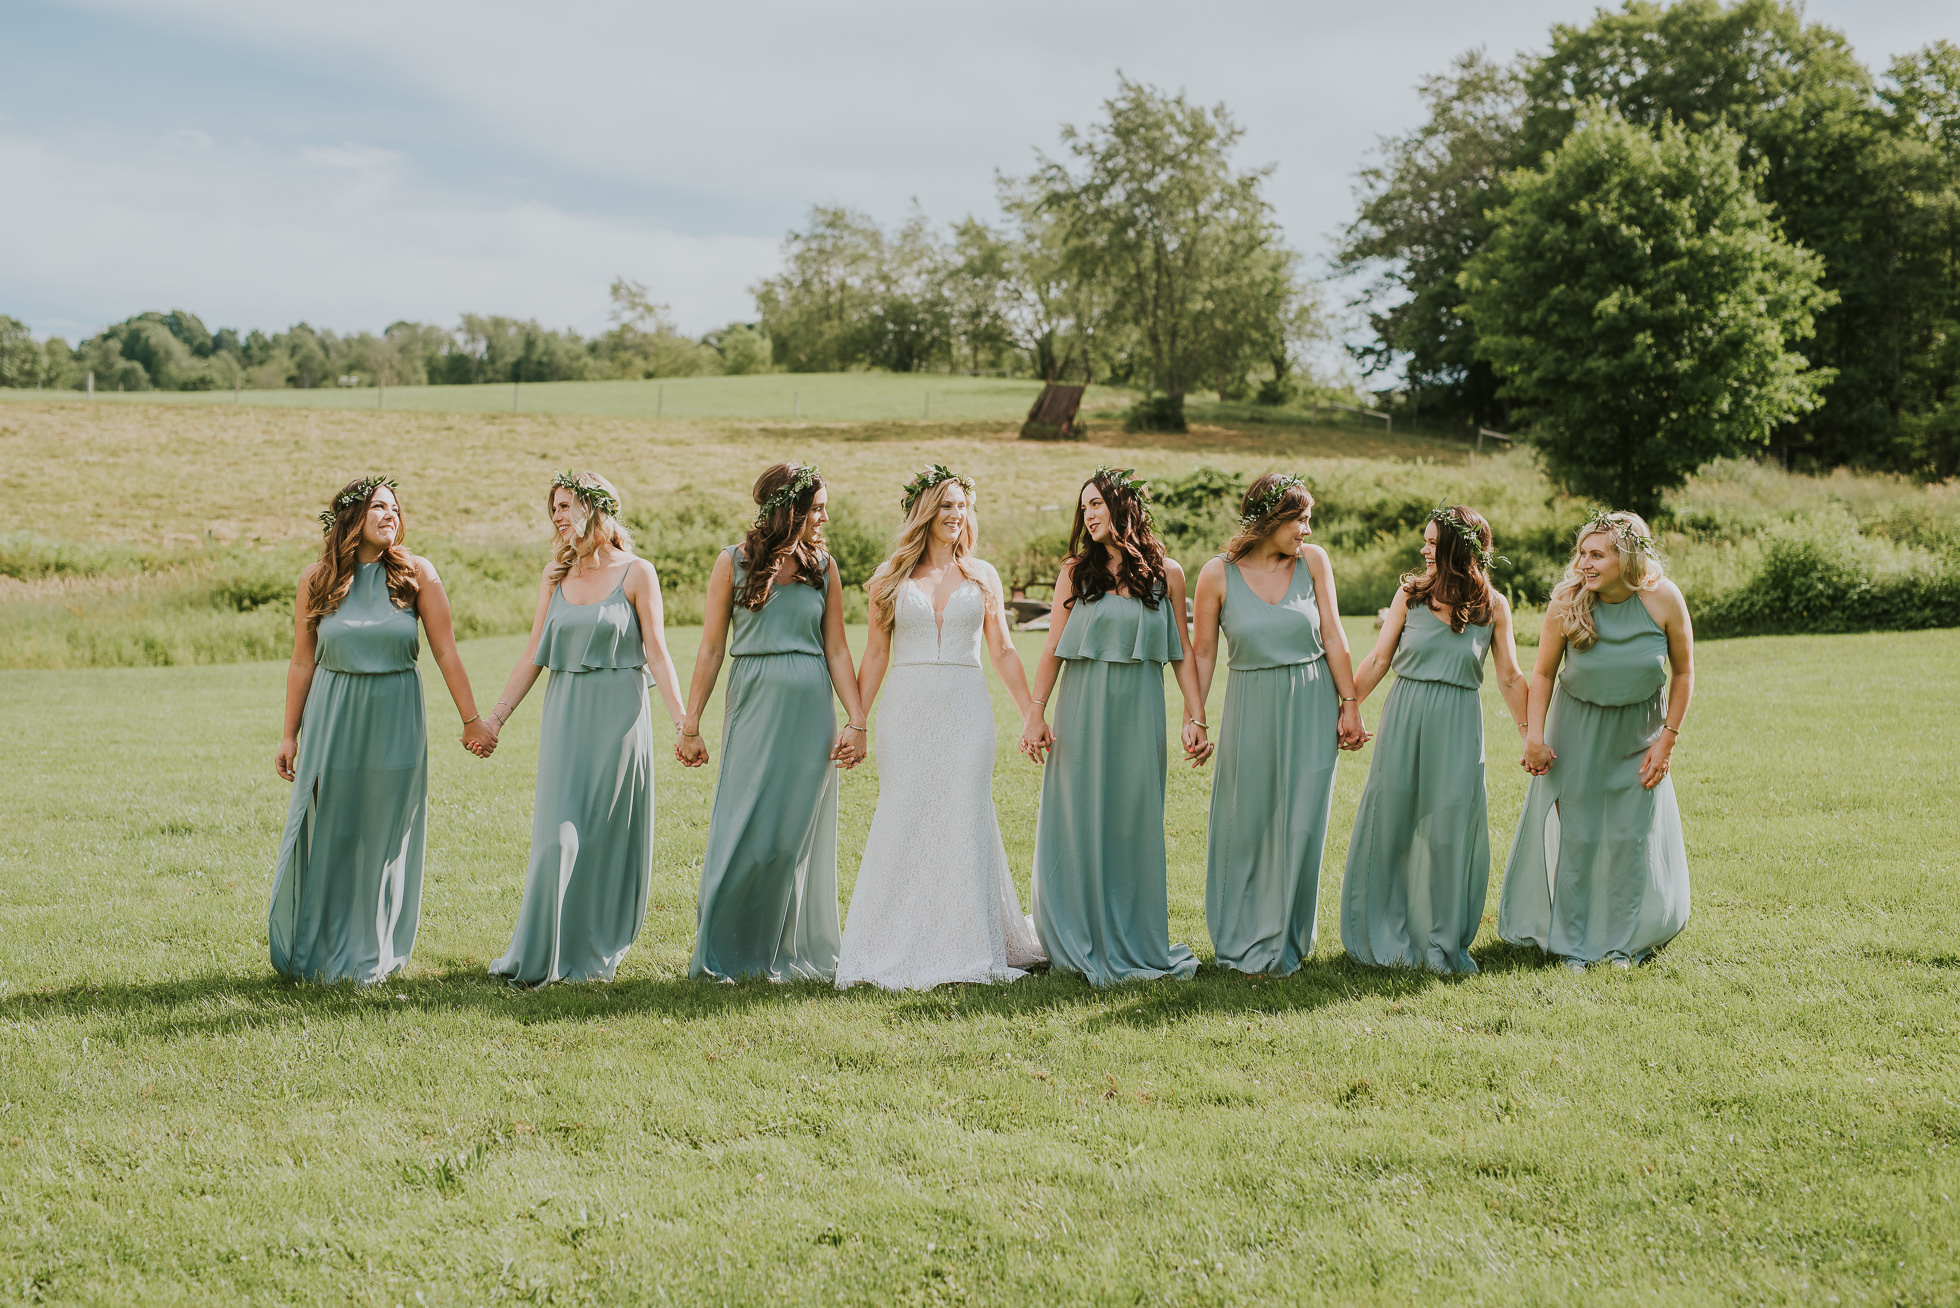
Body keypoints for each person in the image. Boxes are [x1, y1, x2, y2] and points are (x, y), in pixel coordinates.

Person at [270, 476, 494, 984]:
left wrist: (471, 719)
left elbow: (445, 652)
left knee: (385, 836)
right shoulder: (316, 580)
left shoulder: (417, 574)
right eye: (378, 507)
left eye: (394, 507)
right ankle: (322, 951)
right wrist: (289, 735)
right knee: (334, 832)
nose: (390, 515)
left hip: (396, 716)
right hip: (334, 717)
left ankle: (373, 951)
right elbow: (302, 663)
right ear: (352, 518)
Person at [836, 465, 1047, 990]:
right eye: (948, 506)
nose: (957, 516)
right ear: (926, 512)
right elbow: (875, 654)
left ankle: (971, 941)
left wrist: (1030, 714)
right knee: (905, 813)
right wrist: (857, 721)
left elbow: (1001, 649)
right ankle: (890, 937)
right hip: (906, 712)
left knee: (965, 811)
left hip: (965, 710)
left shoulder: (983, 576)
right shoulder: (889, 578)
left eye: (963, 506)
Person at [482, 472, 687, 985]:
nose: (557, 515)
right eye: (553, 507)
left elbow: (658, 653)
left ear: (598, 509)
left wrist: (685, 722)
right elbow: (533, 653)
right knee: (558, 840)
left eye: (566, 504)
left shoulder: (638, 573)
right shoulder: (555, 577)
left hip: (620, 718)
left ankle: (592, 947)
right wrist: (495, 719)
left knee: (605, 839)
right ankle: (543, 950)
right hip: (565, 716)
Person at [1019, 467, 1210, 986]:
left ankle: (1131, 932)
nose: (1090, 515)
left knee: (1131, 822)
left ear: (1124, 505)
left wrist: (1196, 716)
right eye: (1084, 508)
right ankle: (1076, 929)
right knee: (1079, 819)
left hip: (1140, 716)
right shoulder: (1075, 574)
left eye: (1097, 504)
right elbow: (1054, 649)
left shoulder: (1167, 574)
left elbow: (1183, 654)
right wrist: (1036, 712)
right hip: (1080, 714)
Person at [681, 463, 867, 982]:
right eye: (817, 506)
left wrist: (857, 719)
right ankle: (724, 948)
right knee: (745, 827)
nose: (825, 515)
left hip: (810, 708)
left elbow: (836, 647)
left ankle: (782, 949)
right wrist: (690, 722)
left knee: (792, 835)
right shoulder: (733, 563)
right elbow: (712, 648)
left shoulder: (823, 566)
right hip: (755, 701)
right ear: (787, 508)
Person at [1498, 509, 1694, 970]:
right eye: (1582, 553)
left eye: (1596, 555)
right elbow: (1543, 673)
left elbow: (1684, 672)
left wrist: (1667, 740)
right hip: (1576, 731)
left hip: (1641, 732)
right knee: (1578, 839)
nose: (1583, 563)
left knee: (1629, 838)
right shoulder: (1567, 601)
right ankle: (1572, 943)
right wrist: (1535, 737)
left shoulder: (1664, 598)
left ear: (1626, 558)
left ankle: (1621, 943)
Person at [1190, 474, 1367, 976]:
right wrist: (1195, 716)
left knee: (1302, 823)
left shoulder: (1314, 563)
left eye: (1309, 519)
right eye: (1300, 519)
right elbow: (1203, 652)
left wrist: (1349, 703)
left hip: (1312, 702)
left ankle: (1288, 936)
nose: (1307, 530)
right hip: (1249, 705)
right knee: (1246, 822)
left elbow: (1333, 634)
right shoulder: (1216, 574)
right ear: (1269, 520)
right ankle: (1239, 935)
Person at [1341, 506, 1529, 974]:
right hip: (1404, 716)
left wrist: (1533, 735)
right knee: (1393, 822)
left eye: (1432, 542)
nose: (1424, 548)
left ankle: (1442, 936)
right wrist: (1347, 707)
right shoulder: (1410, 594)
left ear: (1456, 549)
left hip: (1459, 724)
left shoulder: (1494, 606)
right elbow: (1380, 658)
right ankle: (1383, 929)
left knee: (1451, 830)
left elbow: (1509, 677)